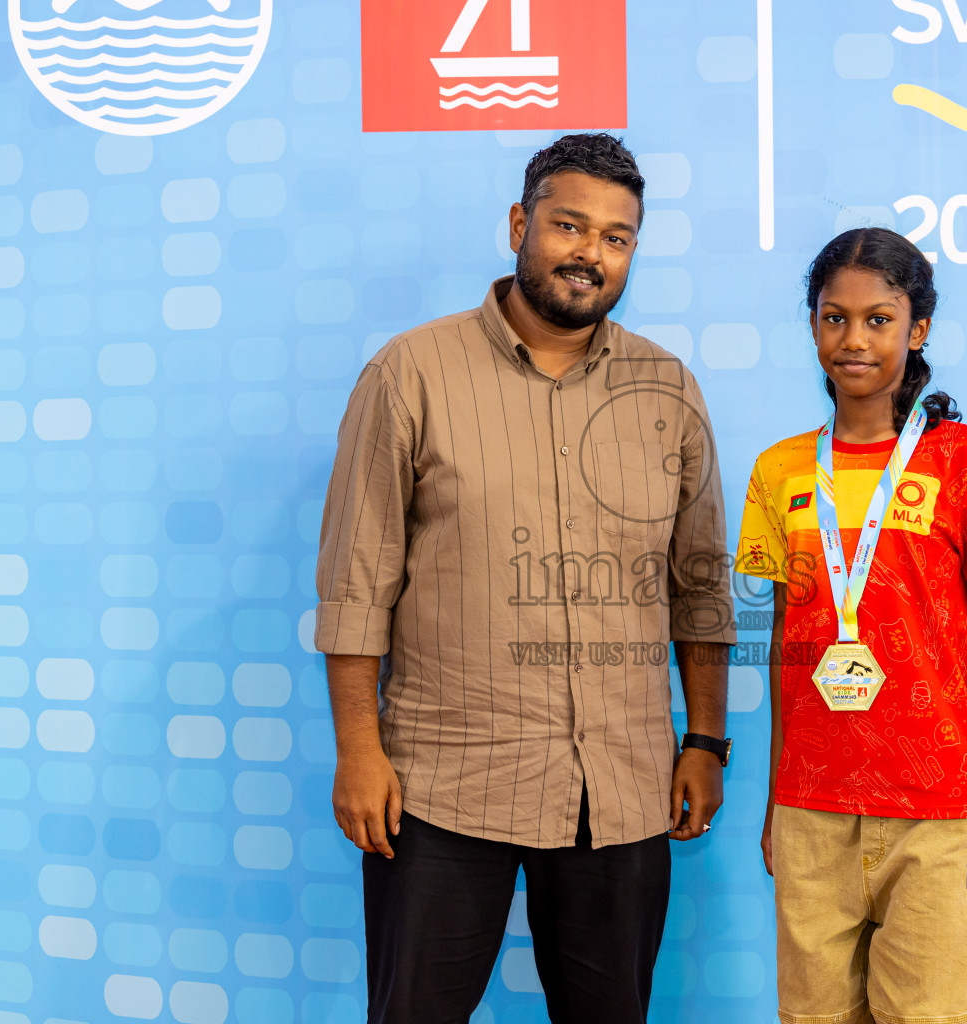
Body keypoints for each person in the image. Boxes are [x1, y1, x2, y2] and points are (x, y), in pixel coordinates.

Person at [314, 133, 737, 1024]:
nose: (590, 254)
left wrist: (705, 740)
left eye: (616, 237)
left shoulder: (668, 390)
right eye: (568, 226)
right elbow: (356, 585)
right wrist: (358, 751)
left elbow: (698, 589)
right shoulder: (411, 373)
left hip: (620, 787)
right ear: (519, 224)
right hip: (440, 785)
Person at [735, 227, 967, 1024]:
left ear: (918, 329)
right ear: (812, 325)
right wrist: (776, 797)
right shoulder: (779, 470)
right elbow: (787, 649)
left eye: (879, 319)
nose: (854, 340)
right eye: (834, 318)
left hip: (936, 805)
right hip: (811, 808)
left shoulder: (965, 459)